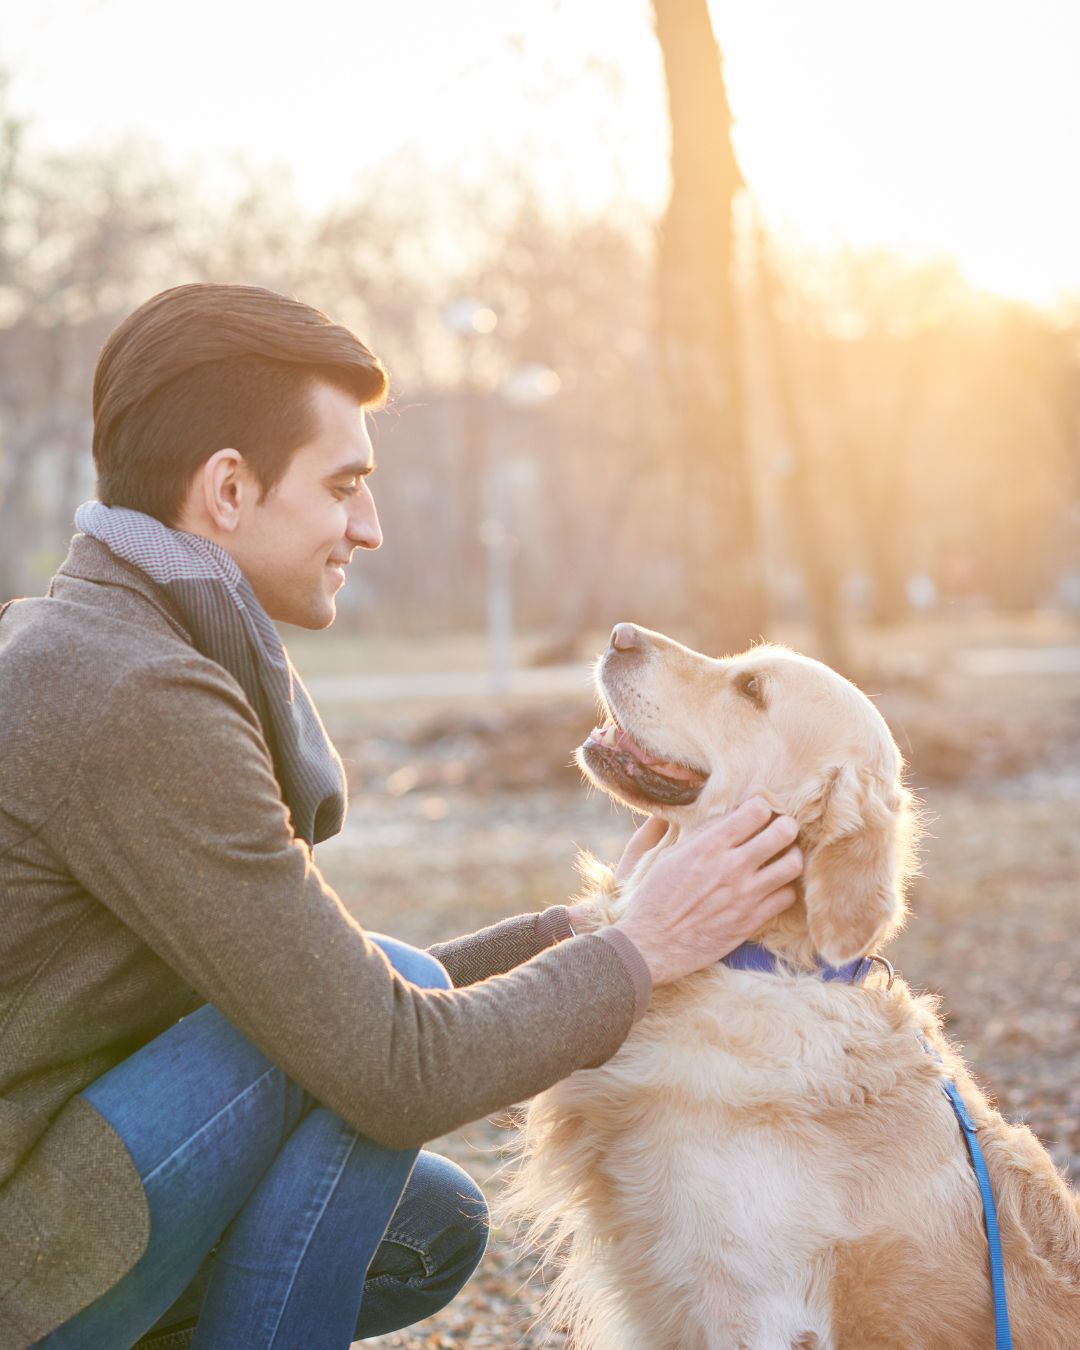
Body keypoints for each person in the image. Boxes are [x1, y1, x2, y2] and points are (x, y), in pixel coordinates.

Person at [0, 283, 803, 1350]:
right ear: (229, 490)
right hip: (22, 1253)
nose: (368, 528)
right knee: (395, 1017)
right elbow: (388, 1062)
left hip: (48, 1167)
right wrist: (645, 953)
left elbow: (316, 1000)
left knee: (430, 1225)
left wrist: (592, 934)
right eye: (343, 487)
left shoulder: (91, 641)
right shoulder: (135, 698)